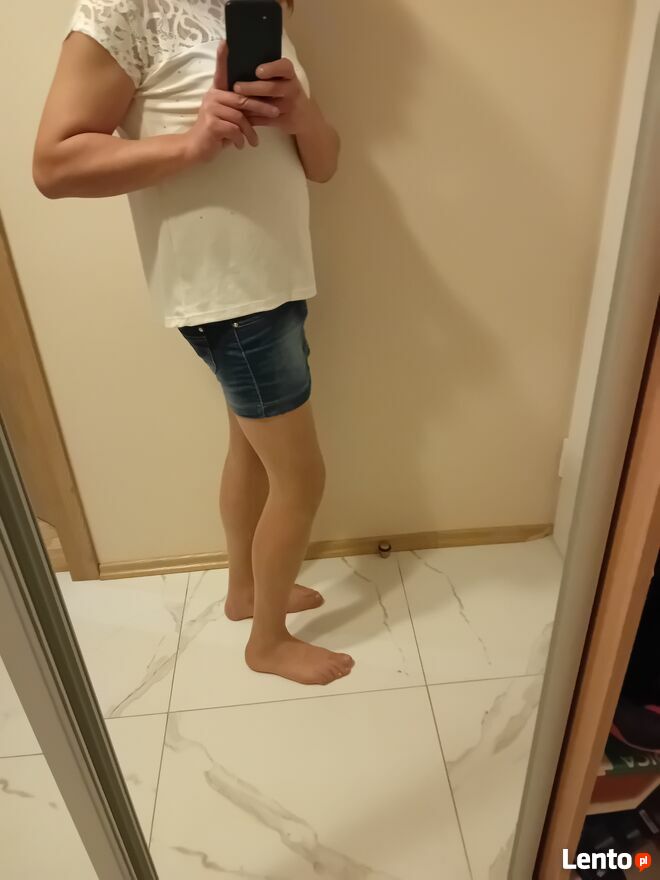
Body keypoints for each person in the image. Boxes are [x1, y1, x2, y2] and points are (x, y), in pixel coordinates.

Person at [33, 0, 355, 686]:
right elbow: (53, 164)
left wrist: (300, 114)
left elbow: (324, 166)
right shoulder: (123, 8)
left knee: (251, 450)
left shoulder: (260, 11)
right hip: (229, 295)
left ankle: (246, 592)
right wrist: (192, 142)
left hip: (275, 277)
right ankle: (268, 643)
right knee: (302, 479)